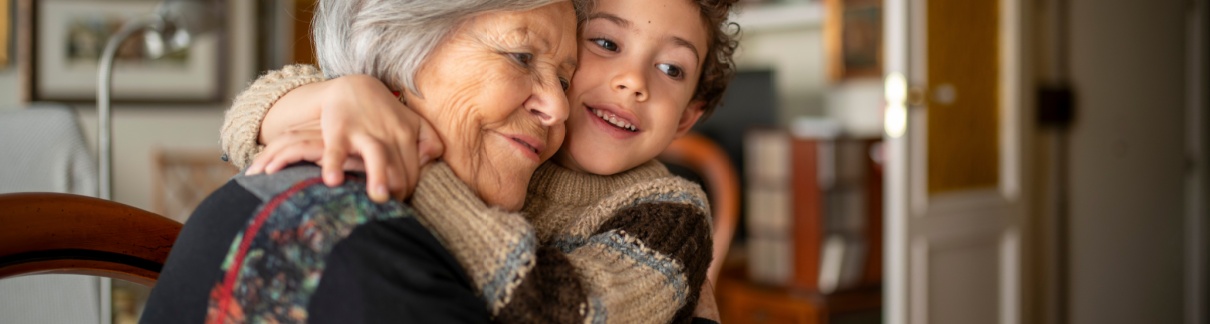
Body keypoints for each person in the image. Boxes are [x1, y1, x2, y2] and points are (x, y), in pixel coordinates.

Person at [220, 0, 738, 322]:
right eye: (605, 44)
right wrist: (340, 100)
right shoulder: (503, 144)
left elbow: (558, 311)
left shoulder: (673, 214)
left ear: (688, 118)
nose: (634, 82)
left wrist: (417, 160)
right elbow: (246, 116)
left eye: (672, 68)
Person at [142, 0, 580, 322]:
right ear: (396, 45)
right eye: (522, 57)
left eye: (564, 79)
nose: (558, 107)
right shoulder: (359, 246)